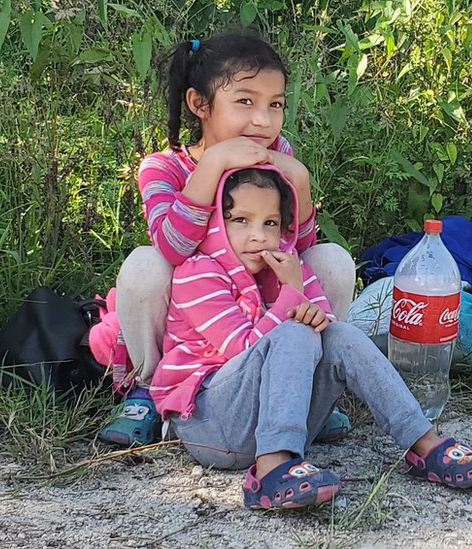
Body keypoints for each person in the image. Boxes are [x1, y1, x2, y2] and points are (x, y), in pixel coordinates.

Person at [154, 165, 472, 509]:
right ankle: (270, 470)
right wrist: (292, 294)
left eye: (270, 223)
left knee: (340, 334)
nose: (258, 236)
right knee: (295, 331)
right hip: (210, 426)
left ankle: (423, 444)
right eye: (240, 220)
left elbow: (329, 338)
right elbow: (241, 349)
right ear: (214, 222)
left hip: (270, 423)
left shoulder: (288, 266)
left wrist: (308, 307)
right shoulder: (197, 273)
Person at [99, 34, 355, 446]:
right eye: (245, 102)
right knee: (145, 265)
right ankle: (147, 389)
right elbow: (173, 248)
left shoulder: (277, 154)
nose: (263, 121)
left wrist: (300, 182)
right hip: (197, 323)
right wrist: (214, 164)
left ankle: (313, 382)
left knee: (333, 260)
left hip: (262, 312)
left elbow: (298, 248)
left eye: (275, 105)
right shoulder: (163, 168)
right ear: (199, 104)